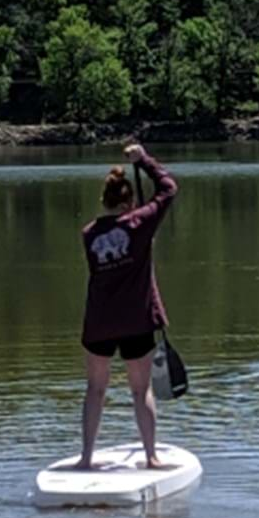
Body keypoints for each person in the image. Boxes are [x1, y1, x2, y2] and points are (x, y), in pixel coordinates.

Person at [77, 142, 178, 469]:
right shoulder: (140, 223)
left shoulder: (88, 234)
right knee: (140, 389)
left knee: (95, 389)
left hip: (99, 322)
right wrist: (144, 159)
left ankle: (86, 458)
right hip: (136, 320)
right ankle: (150, 457)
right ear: (130, 201)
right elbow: (167, 188)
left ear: (104, 202)